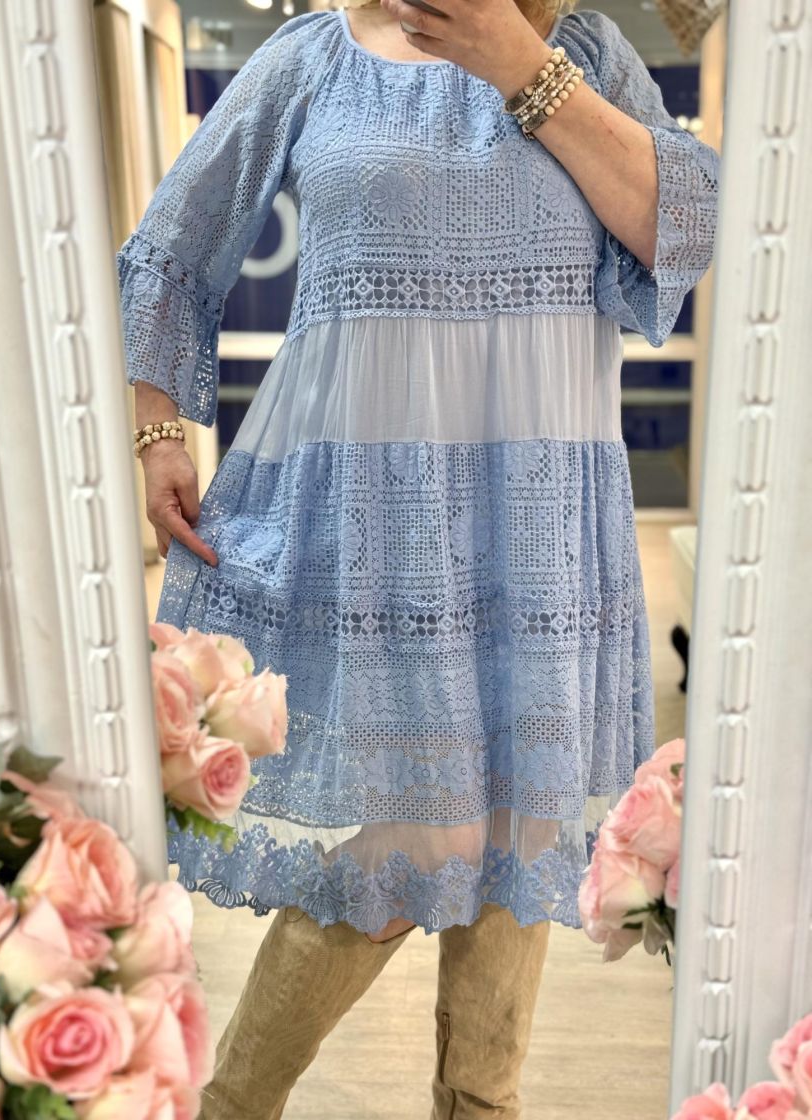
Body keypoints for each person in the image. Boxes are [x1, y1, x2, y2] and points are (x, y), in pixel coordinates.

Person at [117, 0, 720, 1115]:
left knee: (523, 826)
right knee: (423, 836)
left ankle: (476, 1103)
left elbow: (678, 228)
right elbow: (170, 246)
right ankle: (232, 1104)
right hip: (381, 526)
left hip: (543, 517)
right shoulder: (317, 56)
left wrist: (522, 63)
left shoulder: (584, 50)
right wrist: (158, 428)